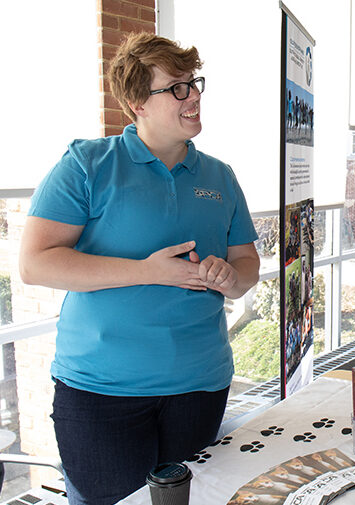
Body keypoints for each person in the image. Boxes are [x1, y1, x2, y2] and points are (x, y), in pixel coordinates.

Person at [19, 33, 260, 504]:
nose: (192, 97)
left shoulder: (220, 176)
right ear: (136, 103)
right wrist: (148, 271)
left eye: (193, 84)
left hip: (201, 384)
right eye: (175, 88)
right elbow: (35, 263)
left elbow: (246, 262)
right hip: (101, 393)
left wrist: (232, 280)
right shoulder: (87, 165)